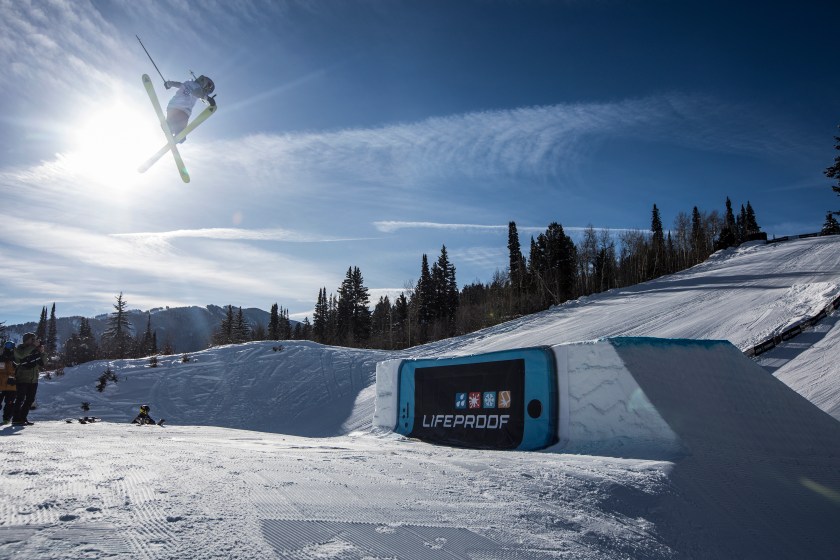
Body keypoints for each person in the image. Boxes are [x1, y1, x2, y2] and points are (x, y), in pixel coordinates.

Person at [163, 75, 215, 142]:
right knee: (179, 132)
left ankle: (170, 128)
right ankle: (175, 133)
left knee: (176, 129)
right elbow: (197, 93)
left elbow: (178, 84)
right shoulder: (197, 87)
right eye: (207, 88)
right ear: (204, 83)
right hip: (183, 112)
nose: (206, 91)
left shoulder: (188, 83)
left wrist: (168, 84)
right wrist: (208, 98)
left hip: (174, 107)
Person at [12, 333, 46, 426]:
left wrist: (42, 352)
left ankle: (22, 418)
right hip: (22, 378)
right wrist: (33, 347)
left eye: (34, 339)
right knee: (20, 399)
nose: (34, 341)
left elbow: (43, 363)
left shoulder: (35, 349)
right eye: (32, 339)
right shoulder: (19, 349)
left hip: (34, 379)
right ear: (26, 340)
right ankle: (15, 419)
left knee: (30, 399)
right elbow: (21, 355)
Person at [0, 341, 17, 425]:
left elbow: (18, 371)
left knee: (9, 403)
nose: (8, 347)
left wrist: (14, 378)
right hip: (1, 384)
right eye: (7, 345)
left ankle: (6, 419)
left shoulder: (16, 359)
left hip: (11, 385)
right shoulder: (1, 358)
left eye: (10, 345)